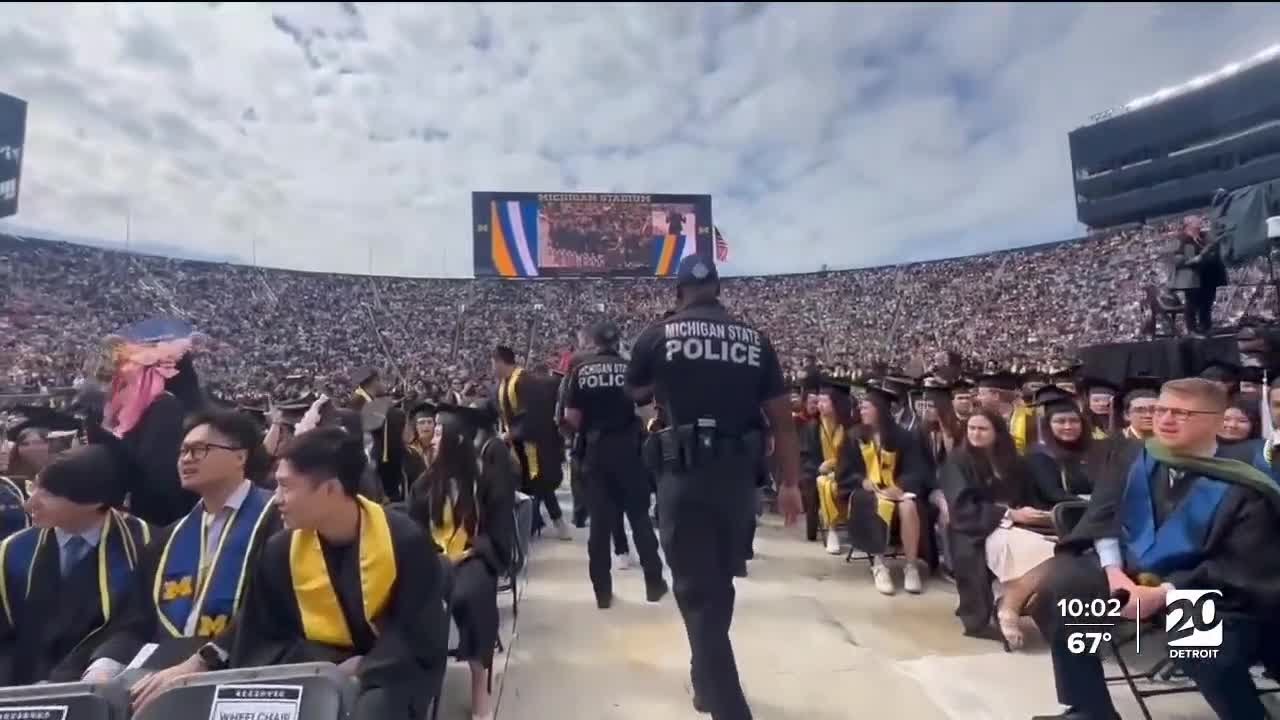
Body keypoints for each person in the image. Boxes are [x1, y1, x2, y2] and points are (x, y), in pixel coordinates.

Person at [1029, 378, 1280, 720]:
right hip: (1128, 574)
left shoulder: (1247, 477)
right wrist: (1115, 575)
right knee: (1064, 591)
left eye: (1182, 413)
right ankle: (1090, 709)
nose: (1165, 420)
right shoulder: (1134, 455)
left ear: (1217, 421)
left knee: (1198, 646)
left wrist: (1163, 593)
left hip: (1200, 586)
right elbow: (1103, 515)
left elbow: (1242, 563)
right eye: (1162, 410)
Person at [156, 427, 449, 719]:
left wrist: (363, 668)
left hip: (388, 677)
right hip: (313, 672)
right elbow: (259, 631)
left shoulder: (404, 541)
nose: (277, 498)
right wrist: (327, 668)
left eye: (286, 487)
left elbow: (417, 634)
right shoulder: (281, 550)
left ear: (330, 489)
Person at [626, 253, 803, 720]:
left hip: (682, 477)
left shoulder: (657, 335)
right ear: (719, 289)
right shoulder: (755, 340)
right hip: (738, 484)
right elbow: (783, 421)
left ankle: (730, 709)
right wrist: (790, 483)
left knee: (696, 592)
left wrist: (663, 405)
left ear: (678, 291)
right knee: (719, 585)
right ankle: (704, 681)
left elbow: (635, 394)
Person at [88, 409, 282, 687]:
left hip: (245, 668)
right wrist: (103, 667)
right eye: (182, 451)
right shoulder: (168, 538)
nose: (186, 459)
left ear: (240, 456)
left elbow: (273, 611)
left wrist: (206, 659)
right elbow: (135, 621)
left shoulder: (278, 521)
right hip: (162, 672)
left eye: (199, 449)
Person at [0, 446, 150, 685]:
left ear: (94, 502)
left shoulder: (144, 545)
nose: (29, 504)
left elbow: (138, 627)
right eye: (34, 487)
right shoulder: (13, 551)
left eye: (48, 495)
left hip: (101, 687)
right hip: (22, 690)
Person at [407, 404, 515, 720]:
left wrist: (474, 550)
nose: (432, 437)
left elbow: (498, 529)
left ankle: (480, 685)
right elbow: (414, 533)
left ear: (457, 438)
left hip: (473, 557)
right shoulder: (424, 484)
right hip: (433, 560)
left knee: (474, 594)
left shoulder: (485, 479)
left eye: (440, 432)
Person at [563, 319, 668, 608]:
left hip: (596, 453)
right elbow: (648, 414)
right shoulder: (629, 368)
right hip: (629, 451)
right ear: (617, 340)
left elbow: (571, 418)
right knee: (639, 517)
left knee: (599, 525)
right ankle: (654, 583)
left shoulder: (581, 370)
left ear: (594, 342)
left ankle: (603, 592)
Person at [943, 410, 1054, 648]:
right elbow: (962, 508)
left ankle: (1010, 602)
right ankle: (1008, 608)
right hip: (977, 528)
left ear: (997, 432)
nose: (975, 433)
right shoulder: (957, 462)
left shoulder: (1013, 461)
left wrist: (1039, 514)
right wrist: (1008, 514)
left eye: (982, 429)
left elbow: (1028, 497)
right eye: (972, 428)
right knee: (1043, 551)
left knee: (1060, 551)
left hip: (1017, 525)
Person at [845, 379, 929, 595]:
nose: (861, 411)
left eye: (866, 407)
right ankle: (879, 564)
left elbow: (916, 469)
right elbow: (845, 471)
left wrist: (900, 486)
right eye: (861, 407)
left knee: (909, 506)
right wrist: (862, 481)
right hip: (867, 493)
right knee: (877, 503)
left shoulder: (904, 437)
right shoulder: (855, 436)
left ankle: (911, 566)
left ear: (880, 410)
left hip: (896, 490)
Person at [493, 345, 570, 540]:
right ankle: (533, 522)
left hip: (534, 443)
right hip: (517, 444)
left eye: (493, 363)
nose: (492, 367)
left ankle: (557, 522)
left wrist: (513, 434)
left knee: (540, 483)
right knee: (527, 485)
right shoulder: (503, 385)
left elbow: (536, 415)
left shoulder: (526, 382)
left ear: (499, 362)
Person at [800, 378, 859, 555]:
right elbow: (806, 457)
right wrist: (820, 467)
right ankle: (832, 529)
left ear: (836, 404)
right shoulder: (813, 427)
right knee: (822, 482)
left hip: (847, 473)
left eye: (824, 401)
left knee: (834, 483)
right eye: (819, 401)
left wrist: (836, 467)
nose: (819, 405)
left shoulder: (850, 428)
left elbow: (857, 458)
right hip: (820, 472)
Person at [1025, 385, 1094, 506]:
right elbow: (1053, 494)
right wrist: (1095, 503)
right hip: (1058, 513)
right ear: (1048, 425)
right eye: (1060, 421)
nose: (1068, 426)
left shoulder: (1093, 451)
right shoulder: (1040, 454)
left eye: (1074, 421)